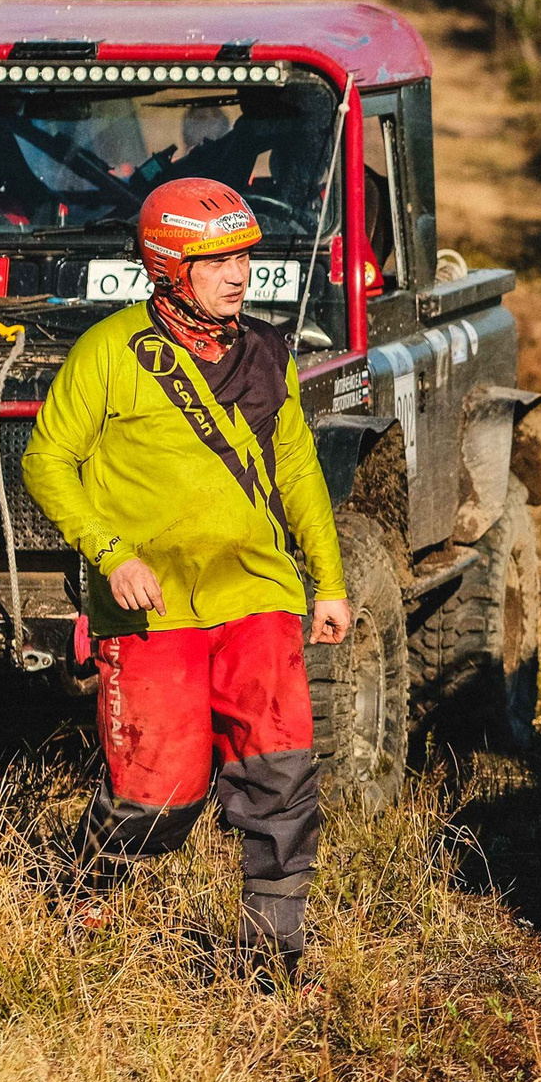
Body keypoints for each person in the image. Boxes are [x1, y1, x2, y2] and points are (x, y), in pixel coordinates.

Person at [24, 177, 352, 981]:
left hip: (256, 590)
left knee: (279, 773)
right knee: (161, 793)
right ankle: (86, 889)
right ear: (169, 266)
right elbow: (45, 460)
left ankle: (269, 963)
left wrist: (328, 580)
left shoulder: (267, 350)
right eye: (218, 261)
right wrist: (110, 552)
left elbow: (299, 469)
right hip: (153, 602)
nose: (241, 274)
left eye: (245, 255)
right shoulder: (107, 351)